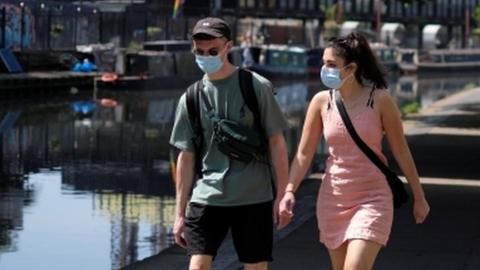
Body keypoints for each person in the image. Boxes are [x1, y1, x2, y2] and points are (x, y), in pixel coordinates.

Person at [278, 32, 430, 270]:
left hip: (373, 197)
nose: (324, 70)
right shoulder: (321, 101)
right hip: (334, 198)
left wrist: (419, 197)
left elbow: (401, 151)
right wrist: (289, 191)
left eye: (331, 64)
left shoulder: (380, 100)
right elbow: (304, 153)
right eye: (323, 63)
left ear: (351, 69)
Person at [169, 17, 290, 270]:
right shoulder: (190, 97)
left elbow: (277, 142)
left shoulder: (256, 86)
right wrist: (180, 214)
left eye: (213, 51)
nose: (206, 56)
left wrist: (282, 195)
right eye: (199, 52)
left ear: (228, 47)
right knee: (197, 266)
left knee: (255, 266)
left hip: (254, 195)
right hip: (207, 196)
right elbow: (186, 156)